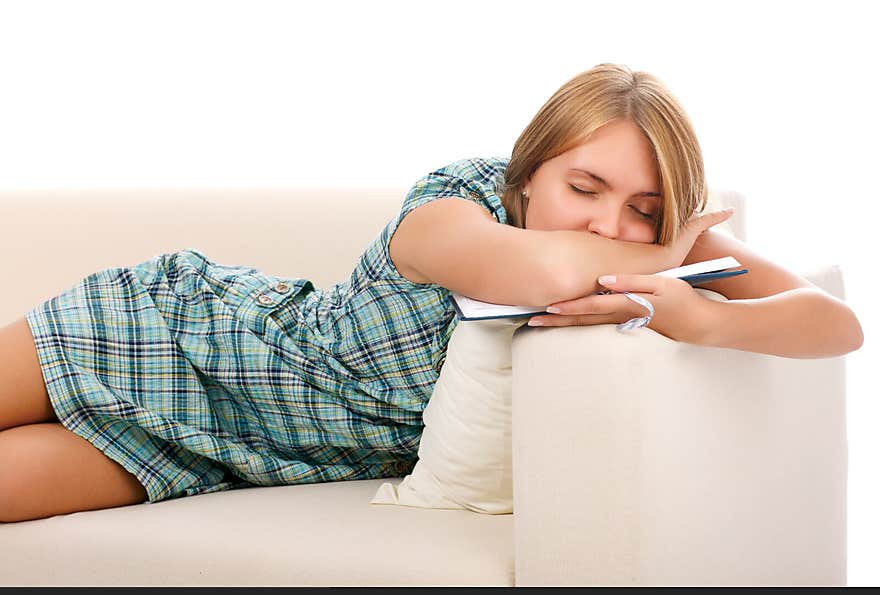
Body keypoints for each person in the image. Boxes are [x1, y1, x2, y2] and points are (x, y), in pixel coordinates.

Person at [0, 63, 862, 523]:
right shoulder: (454, 203)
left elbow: (837, 322)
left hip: (234, 453)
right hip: (176, 332)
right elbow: (545, 272)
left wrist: (702, 313)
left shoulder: (652, 239)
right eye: (585, 187)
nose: (609, 224)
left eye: (643, 205)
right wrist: (670, 251)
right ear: (530, 173)